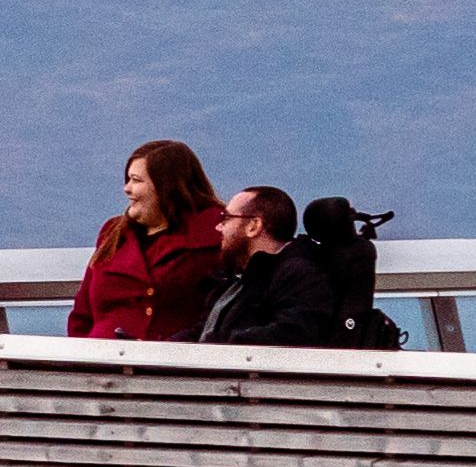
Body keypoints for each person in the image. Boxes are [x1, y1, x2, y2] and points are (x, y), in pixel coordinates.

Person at [188, 185, 405, 353]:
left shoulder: (299, 273)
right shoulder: (238, 281)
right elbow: (201, 332)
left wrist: (219, 345)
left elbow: (295, 333)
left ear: (253, 226)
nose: (218, 226)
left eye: (226, 218)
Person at [66, 140, 234, 339]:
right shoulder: (112, 232)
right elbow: (82, 314)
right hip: (99, 361)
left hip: (170, 364)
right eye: (128, 180)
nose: (126, 189)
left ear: (166, 185)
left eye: (136, 180)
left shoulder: (216, 231)